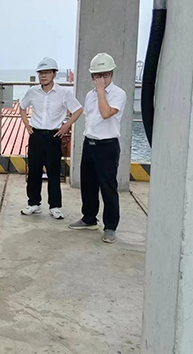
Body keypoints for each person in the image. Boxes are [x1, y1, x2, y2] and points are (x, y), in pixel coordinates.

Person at [68, 53, 126, 244]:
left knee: (108, 186)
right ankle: (89, 218)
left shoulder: (118, 94)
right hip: (90, 143)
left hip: (107, 145)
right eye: (97, 76)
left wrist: (101, 92)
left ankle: (110, 226)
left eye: (105, 75)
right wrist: (98, 92)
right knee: (88, 184)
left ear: (112, 74)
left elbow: (106, 113)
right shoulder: (89, 95)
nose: (101, 79)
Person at [19, 57, 83, 219]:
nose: (43, 76)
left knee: (54, 172)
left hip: (54, 136)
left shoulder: (63, 93)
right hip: (36, 135)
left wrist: (66, 126)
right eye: (41, 73)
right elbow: (22, 107)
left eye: (47, 72)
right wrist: (27, 124)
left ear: (54, 74)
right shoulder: (32, 92)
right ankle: (33, 203)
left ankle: (55, 206)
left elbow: (78, 110)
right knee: (34, 171)